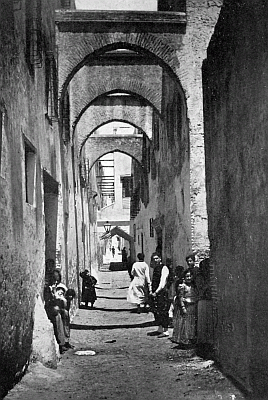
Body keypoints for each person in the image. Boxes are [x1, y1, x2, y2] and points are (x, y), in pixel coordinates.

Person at [171, 268, 198, 347]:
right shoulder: (182, 286)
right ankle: (185, 340)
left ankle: (191, 338)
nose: (189, 278)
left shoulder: (193, 285)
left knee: (192, 323)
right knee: (186, 323)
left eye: (190, 276)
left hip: (193, 305)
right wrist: (183, 307)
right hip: (186, 306)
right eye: (187, 276)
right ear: (184, 277)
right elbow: (180, 297)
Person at [148, 254, 170, 337]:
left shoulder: (164, 268)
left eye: (157, 258)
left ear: (160, 259)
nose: (155, 260)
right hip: (155, 293)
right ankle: (160, 328)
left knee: (163, 310)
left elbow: (162, 282)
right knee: (157, 310)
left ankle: (166, 330)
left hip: (161, 293)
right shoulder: (155, 268)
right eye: (154, 259)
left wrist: (156, 292)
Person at [195, 258, 213, 356]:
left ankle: (208, 342)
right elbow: (200, 290)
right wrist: (208, 285)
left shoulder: (210, 276)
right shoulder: (199, 277)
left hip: (209, 301)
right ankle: (202, 342)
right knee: (202, 322)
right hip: (202, 301)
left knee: (209, 322)